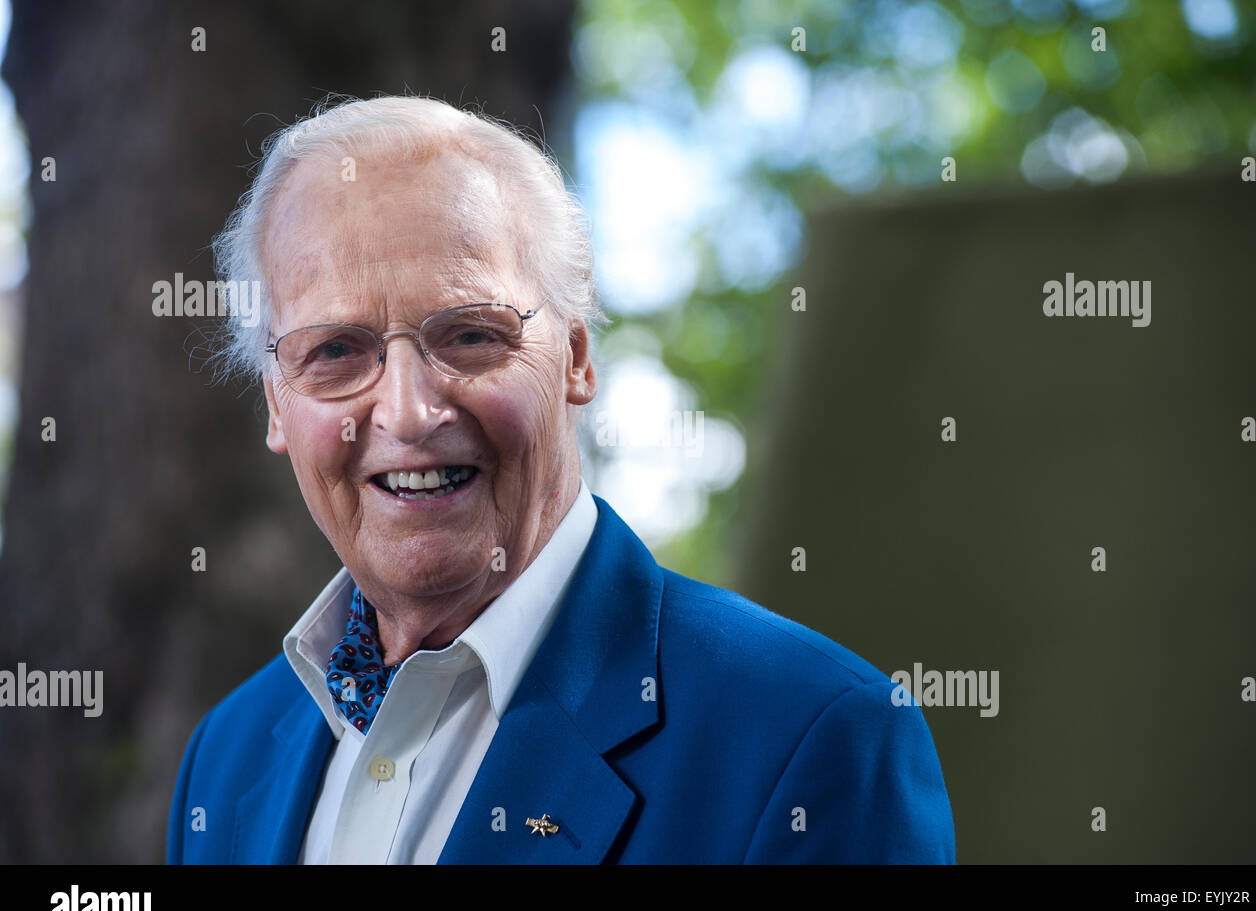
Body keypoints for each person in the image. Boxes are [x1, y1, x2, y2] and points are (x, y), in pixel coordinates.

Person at [167, 95, 956, 864]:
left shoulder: (811, 737)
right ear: (278, 403)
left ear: (577, 357)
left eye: (471, 333)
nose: (407, 413)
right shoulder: (228, 755)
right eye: (336, 350)